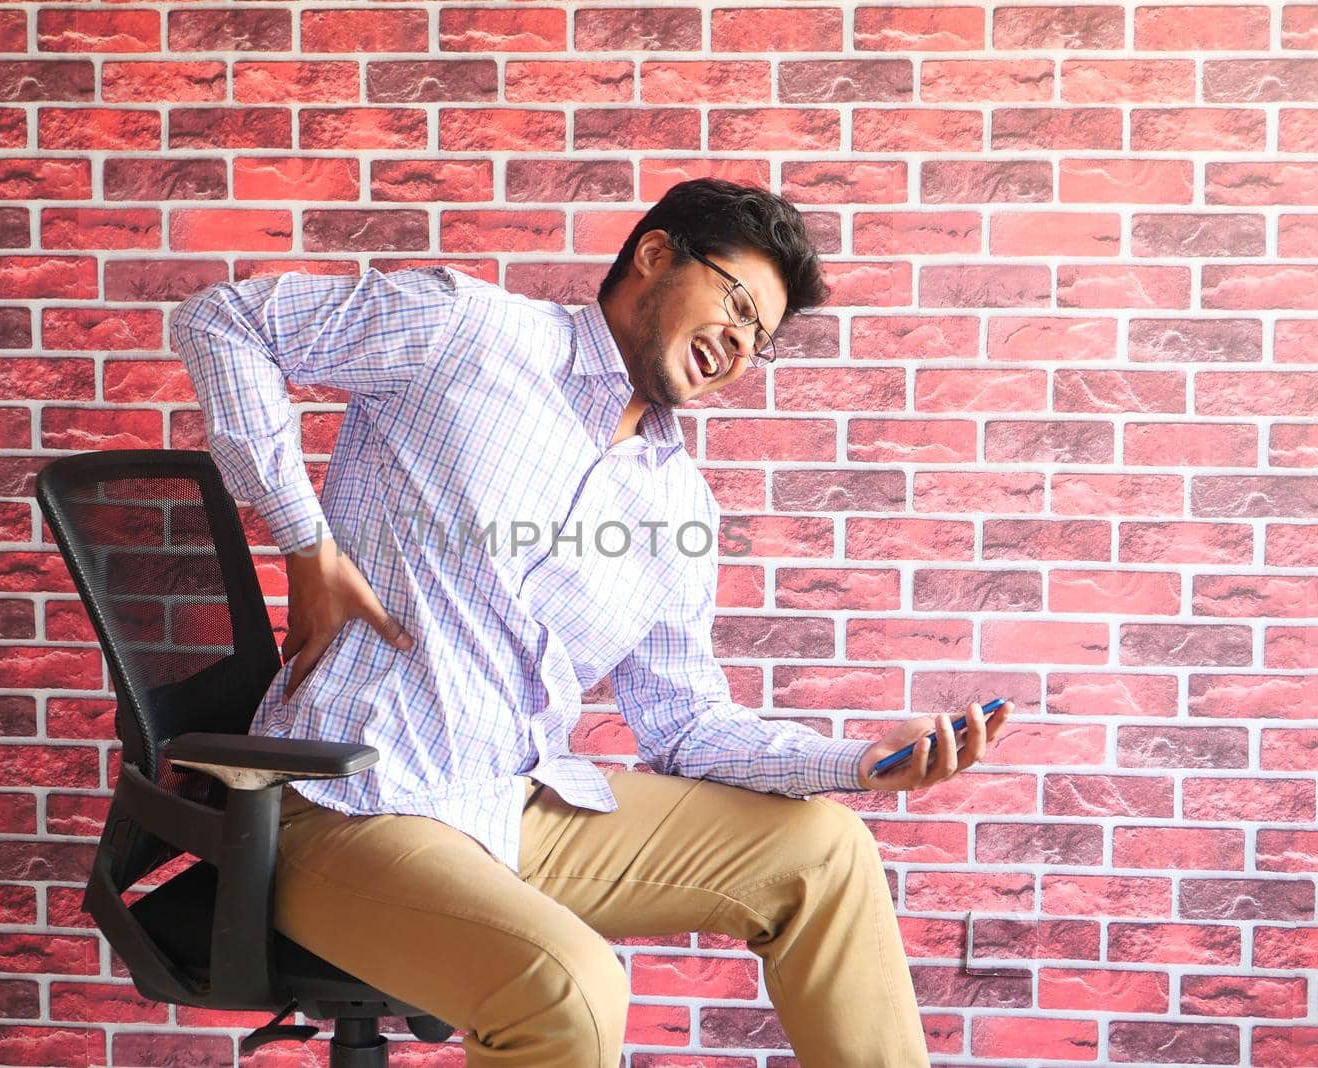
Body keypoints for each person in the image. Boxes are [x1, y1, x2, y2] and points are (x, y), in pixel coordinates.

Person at [172, 178, 1011, 1067]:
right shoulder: (471, 332)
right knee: (570, 987)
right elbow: (223, 321)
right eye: (735, 302)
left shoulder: (675, 504)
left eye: (758, 337)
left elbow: (684, 723)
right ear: (655, 255)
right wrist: (307, 542)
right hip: (347, 800)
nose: (738, 343)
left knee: (827, 852)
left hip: (511, 803)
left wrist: (859, 764)